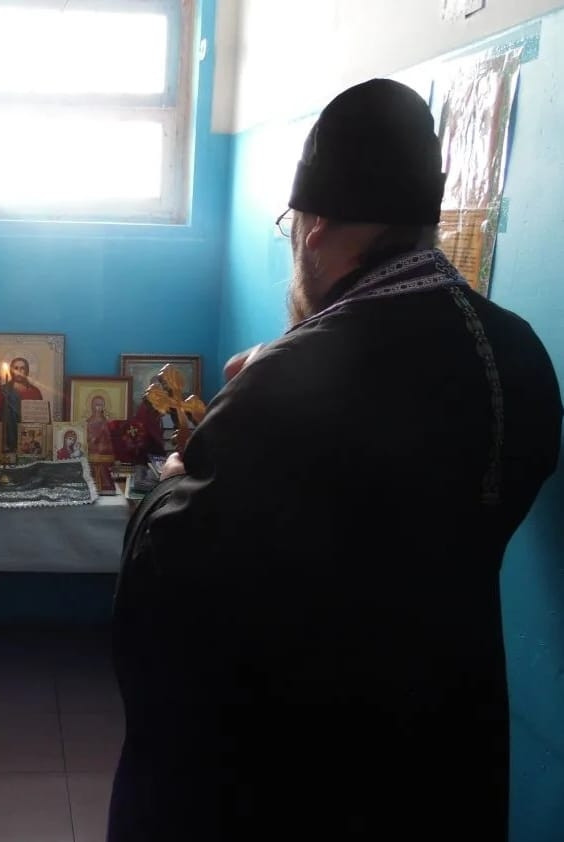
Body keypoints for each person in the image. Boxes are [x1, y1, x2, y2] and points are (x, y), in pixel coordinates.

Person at [109, 79, 562, 842]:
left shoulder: (285, 380)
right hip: (447, 742)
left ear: (314, 228)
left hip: (302, 768)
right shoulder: (518, 351)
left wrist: (172, 483)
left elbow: (170, 585)